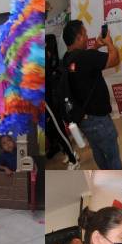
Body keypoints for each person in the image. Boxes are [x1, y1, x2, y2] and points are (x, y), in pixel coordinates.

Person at [62, 19, 122, 170]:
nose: (87, 37)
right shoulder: (85, 57)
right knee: (112, 154)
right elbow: (114, 60)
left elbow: (86, 67)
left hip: (83, 118)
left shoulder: (67, 59)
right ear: (79, 37)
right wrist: (109, 43)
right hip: (99, 119)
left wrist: (96, 46)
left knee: (97, 149)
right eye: (85, 33)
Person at [45, 33, 79, 169]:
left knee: (58, 127)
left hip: (49, 98)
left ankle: (73, 159)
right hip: (47, 97)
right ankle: (68, 152)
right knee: (53, 128)